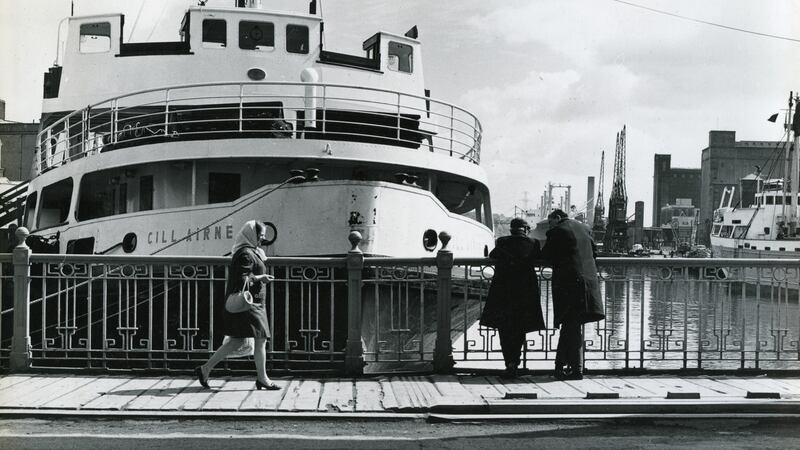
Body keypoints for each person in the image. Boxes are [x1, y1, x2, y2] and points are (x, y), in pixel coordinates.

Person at [196, 220, 279, 390]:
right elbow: (242, 279)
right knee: (260, 339)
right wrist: (260, 278)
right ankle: (262, 378)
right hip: (249, 304)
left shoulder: (250, 251)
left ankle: (205, 368)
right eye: (260, 235)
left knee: (237, 341)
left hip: (253, 303)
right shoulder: (246, 254)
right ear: (251, 235)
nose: (262, 239)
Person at [542, 209, 605, 380]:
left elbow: (546, 256)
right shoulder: (585, 228)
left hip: (569, 285)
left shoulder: (557, 231)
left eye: (550, 222)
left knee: (570, 325)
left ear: (557, 218)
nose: (549, 226)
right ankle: (573, 369)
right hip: (588, 284)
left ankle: (567, 369)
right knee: (573, 326)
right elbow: (594, 253)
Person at [480, 217, 546, 378]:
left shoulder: (502, 241)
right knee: (520, 327)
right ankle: (516, 362)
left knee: (504, 328)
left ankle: (509, 362)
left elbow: (493, 254)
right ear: (526, 229)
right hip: (525, 292)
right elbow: (539, 257)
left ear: (511, 229)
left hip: (503, 291)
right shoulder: (533, 243)